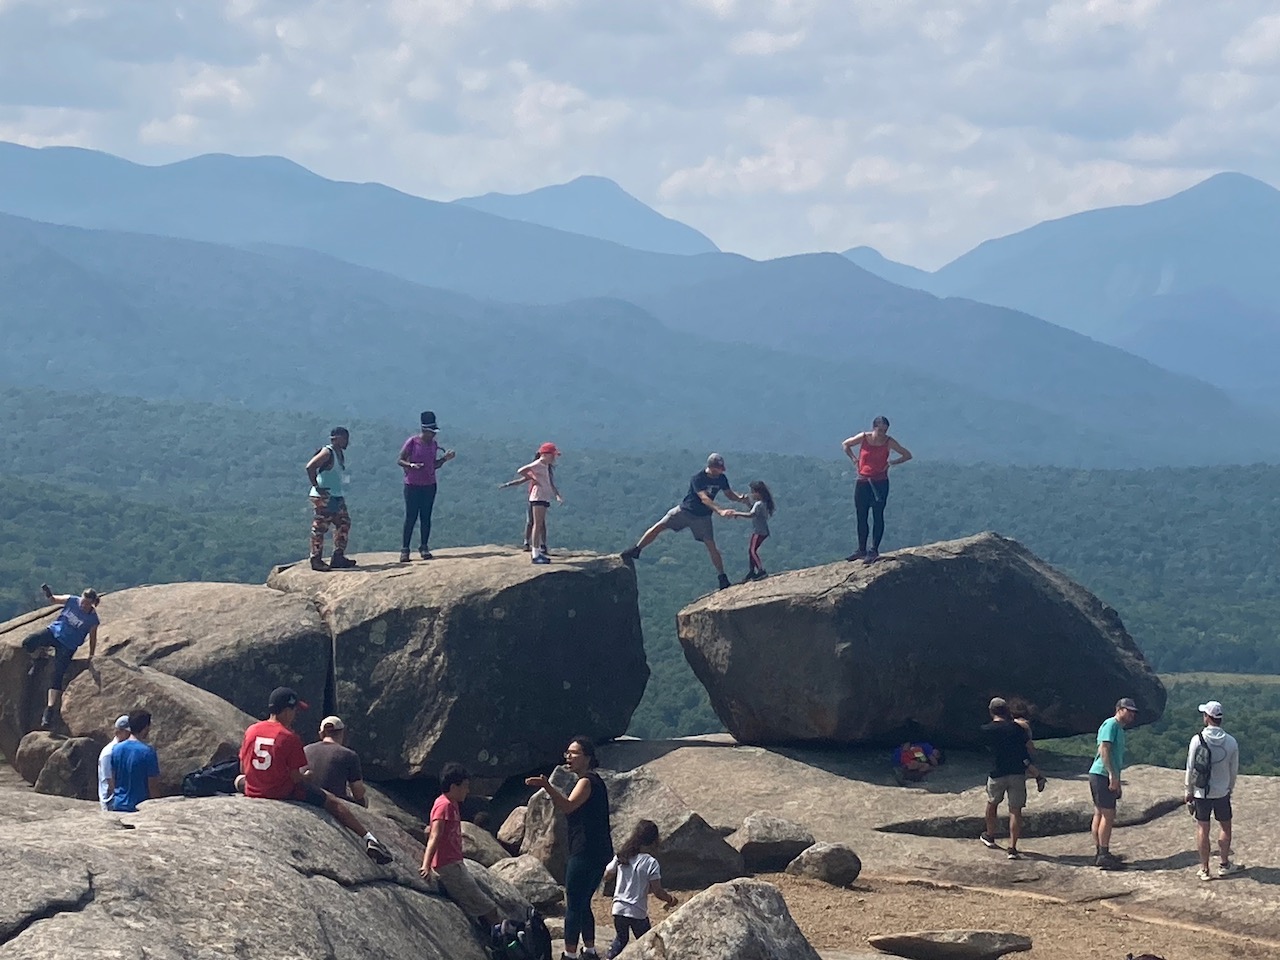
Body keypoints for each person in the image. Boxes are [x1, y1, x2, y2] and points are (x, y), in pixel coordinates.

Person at [239, 687, 392, 864]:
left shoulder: (251, 730)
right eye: (294, 710)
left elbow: (244, 768)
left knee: (238, 780)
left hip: (253, 790)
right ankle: (369, 838)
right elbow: (295, 778)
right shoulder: (289, 737)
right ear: (287, 710)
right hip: (281, 792)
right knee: (331, 801)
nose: (295, 714)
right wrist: (306, 777)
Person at [526, 736, 614, 960]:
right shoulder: (595, 781)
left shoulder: (587, 781)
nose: (568, 757)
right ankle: (591, 951)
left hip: (585, 850)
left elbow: (567, 806)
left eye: (573, 753)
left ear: (588, 758)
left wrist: (547, 786)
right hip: (599, 850)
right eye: (567, 753)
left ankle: (570, 954)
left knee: (573, 902)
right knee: (583, 902)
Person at [621, 454, 751, 591]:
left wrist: (742, 498)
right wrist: (720, 511)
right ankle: (637, 549)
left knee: (711, 546)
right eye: (718, 469)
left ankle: (722, 577)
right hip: (685, 511)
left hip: (703, 517)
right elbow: (704, 498)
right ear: (711, 467)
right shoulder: (698, 478)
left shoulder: (721, 479)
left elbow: (729, 494)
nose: (721, 471)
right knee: (659, 526)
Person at [419, 763, 507, 939]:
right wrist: (426, 865)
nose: (467, 791)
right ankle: (504, 945)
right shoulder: (444, 805)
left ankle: (495, 939)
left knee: (483, 911)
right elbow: (435, 835)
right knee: (490, 910)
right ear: (453, 787)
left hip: (454, 863)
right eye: (465, 787)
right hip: (449, 867)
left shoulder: (450, 804)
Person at [22, 585, 100, 729]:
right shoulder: (72, 600)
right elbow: (54, 600)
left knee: (57, 676)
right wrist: (48, 593)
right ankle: (38, 659)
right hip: (54, 632)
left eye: (87, 603)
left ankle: (49, 710)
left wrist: (91, 655)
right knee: (28, 642)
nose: (83, 605)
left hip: (68, 646)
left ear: (93, 603)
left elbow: (93, 637)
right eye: (83, 601)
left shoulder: (92, 619)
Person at [1184, 700, 1243, 881]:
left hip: (1202, 792)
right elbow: (1234, 770)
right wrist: (1229, 788)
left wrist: (1188, 790)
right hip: (1222, 792)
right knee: (1225, 826)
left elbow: (1190, 766)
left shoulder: (1197, 739)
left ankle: (1205, 869)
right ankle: (1224, 864)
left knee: (1203, 828)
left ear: (1207, 718)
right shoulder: (1231, 742)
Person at [841, 416, 912, 564]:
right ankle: (861, 549)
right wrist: (854, 459)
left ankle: (873, 550)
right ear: (873, 428)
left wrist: (891, 462)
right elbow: (846, 444)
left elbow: (907, 455)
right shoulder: (864, 438)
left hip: (880, 483)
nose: (882, 434)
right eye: (880, 430)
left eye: (885, 431)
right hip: (863, 480)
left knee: (877, 515)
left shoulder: (889, 442)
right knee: (861, 515)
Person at [603, 819, 677, 959]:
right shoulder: (650, 862)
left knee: (621, 939)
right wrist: (671, 899)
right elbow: (658, 891)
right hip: (636, 911)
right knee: (647, 942)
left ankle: (609, 957)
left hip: (618, 908)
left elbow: (607, 874)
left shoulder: (623, 856)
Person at [397, 411, 455, 563]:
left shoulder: (434, 445)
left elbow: (433, 465)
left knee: (426, 517)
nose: (433, 435)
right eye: (431, 432)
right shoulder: (413, 442)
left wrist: (444, 459)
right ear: (424, 430)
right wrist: (411, 465)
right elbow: (400, 460)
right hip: (412, 485)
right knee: (411, 516)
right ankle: (405, 549)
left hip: (429, 485)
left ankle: (424, 547)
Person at [1089, 697, 1138, 870]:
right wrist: (1112, 775)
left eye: (1133, 712)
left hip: (1100, 774)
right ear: (1119, 709)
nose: (1132, 714)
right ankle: (1103, 853)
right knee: (1108, 815)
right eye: (1129, 710)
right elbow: (1104, 749)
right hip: (1102, 774)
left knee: (1100, 814)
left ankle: (1101, 852)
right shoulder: (1111, 725)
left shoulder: (1116, 727)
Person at [979, 697, 1032, 860]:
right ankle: (1013, 847)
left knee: (992, 802)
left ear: (991, 712)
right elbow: (1028, 746)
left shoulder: (986, 730)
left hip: (997, 772)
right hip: (1017, 772)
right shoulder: (1017, 729)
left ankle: (990, 835)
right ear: (1007, 711)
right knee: (1015, 810)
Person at [305, 427, 356, 572]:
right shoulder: (328, 452)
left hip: (335, 495)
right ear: (337, 438)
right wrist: (316, 486)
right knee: (321, 527)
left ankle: (338, 556)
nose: (347, 442)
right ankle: (316, 559)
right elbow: (310, 467)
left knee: (344, 523)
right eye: (345, 438)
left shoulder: (338, 453)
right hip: (325, 496)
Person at [503, 443, 562, 565]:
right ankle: (535, 554)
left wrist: (556, 495)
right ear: (544, 455)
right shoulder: (538, 464)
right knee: (537, 524)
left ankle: (538, 551)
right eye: (552, 455)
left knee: (539, 524)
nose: (554, 458)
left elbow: (549, 483)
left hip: (543, 497)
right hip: (538, 497)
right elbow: (521, 470)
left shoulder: (545, 465)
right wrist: (532, 478)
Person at [303, 715, 368, 807]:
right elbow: (358, 793)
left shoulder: (305, 749)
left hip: (307, 797)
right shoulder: (349, 755)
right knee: (363, 800)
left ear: (321, 734)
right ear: (342, 733)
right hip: (333, 803)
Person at [499, 448, 551, 554]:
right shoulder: (536, 471)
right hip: (535, 498)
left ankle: (540, 544)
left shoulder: (543, 470)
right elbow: (521, 480)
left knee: (538, 523)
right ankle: (529, 543)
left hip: (539, 498)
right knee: (533, 522)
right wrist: (508, 484)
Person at [108, 711, 160, 813]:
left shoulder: (116, 749)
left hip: (118, 804)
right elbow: (152, 785)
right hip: (140, 807)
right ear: (145, 728)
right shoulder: (148, 752)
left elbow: (112, 779)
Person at [724, 480, 775, 582]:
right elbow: (754, 511)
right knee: (751, 550)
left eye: (753, 492)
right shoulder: (763, 503)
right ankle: (752, 571)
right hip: (762, 531)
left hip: (758, 531)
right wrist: (747, 503)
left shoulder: (759, 504)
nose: (751, 494)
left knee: (752, 551)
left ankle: (761, 571)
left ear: (758, 492)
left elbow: (751, 515)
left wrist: (736, 513)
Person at [1007, 697, 1048, 793]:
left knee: (1026, 764)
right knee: (1026, 765)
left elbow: (1025, 739)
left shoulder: (1020, 724)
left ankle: (1039, 777)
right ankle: (1038, 777)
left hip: (1021, 749)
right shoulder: (1025, 723)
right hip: (1021, 749)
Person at [97, 715, 131, 812]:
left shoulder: (124, 749)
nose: (130, 735)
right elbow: (110, 782)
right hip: (111, 801)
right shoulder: (108, 752)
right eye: (127, 733)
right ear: (118, 732)